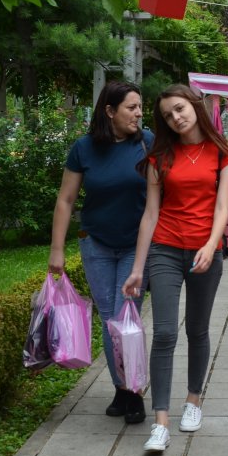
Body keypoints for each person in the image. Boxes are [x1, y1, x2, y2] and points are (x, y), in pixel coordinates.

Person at [122, 84, 228, 453]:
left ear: (195, 105)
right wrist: (138, 267)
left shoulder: (223, 153)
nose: (176, 118)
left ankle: (193, 401)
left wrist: (210, 244)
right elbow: (150, 213)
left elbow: (223, 208)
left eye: (180, 109)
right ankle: (160, 423)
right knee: (165, 333)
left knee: (198, 330)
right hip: (166, 249)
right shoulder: (161, 157)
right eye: (168, 115)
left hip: (206, 251)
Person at [49, 82, 154, 425]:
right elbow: (65, 200)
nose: (139, 113)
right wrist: (57, 249)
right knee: (110, 320)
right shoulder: (84, 148)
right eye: (132, 107)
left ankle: (133, 392)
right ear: (110, 111)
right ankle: (123, 387)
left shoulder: (147, 143)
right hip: (95, 242)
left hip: (134, 245)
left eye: (140, 107)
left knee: (128, 318)